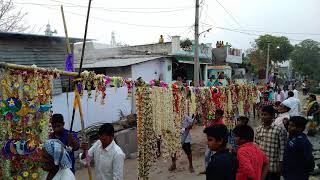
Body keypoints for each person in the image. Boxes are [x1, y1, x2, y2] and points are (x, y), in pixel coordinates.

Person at [255, 105, 287, 180]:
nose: (263, 117)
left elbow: (282, 150)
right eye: (262, 114)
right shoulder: (258, 129)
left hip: (274, 167)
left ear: (272, 115)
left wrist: (280, 165)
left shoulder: (279, 130)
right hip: (261, 166)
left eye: (265, 114)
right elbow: (256, 146)